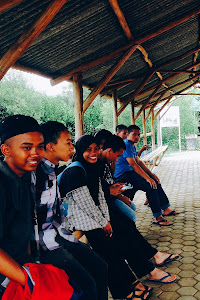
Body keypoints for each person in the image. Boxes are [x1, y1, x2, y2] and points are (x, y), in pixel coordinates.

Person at [58, 135, 178, 300]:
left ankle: (135, 280)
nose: (93, 153)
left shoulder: (93, 167)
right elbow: (86, 204)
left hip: (96, 217)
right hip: (81, 221)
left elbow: (99, 195)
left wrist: (105, 219)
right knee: (111, 250)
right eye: (88, 150)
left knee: (120, 234)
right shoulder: (75, 170)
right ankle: (127, 289)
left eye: (96, 149)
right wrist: (104, 221)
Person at [0, 115, 72, 299]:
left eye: (39, 147)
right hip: (8, 281)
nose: (35, 153)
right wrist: (30, 281)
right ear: (6, 150)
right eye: (26, 147)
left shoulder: (24, 177)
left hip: (23, 266)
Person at [36, 121, 108, 300]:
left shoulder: (52, 170)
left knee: (100, 266)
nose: (72, 148)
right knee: (87, 283)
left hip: (61, 234)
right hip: (44, 245)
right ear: (51, 146)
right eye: (68, 143)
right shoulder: (36, 174)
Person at [114, 125, 179, 226]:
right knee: (150, 185)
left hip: (130, 173)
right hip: (123, 175)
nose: (137, 137)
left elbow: (139, 162)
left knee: (154, 181)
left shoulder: (132, 145)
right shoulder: (126, 144)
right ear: (128, 134)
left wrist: (151, 175)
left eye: (138, 135)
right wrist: (148, 179)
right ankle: (158, 217)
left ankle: (165, 208)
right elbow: (133, 164)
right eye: (134, 134)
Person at [99, 134, 137, 222]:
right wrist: (116, 194)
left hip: (110, 196)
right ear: (109, 150)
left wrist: (116, 187)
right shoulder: (96, 164)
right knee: (132, 217)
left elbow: (109, 181)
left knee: (132, 206)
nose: (117, 160)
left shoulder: (106, 163)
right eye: (118, 156)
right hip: (105, 199)